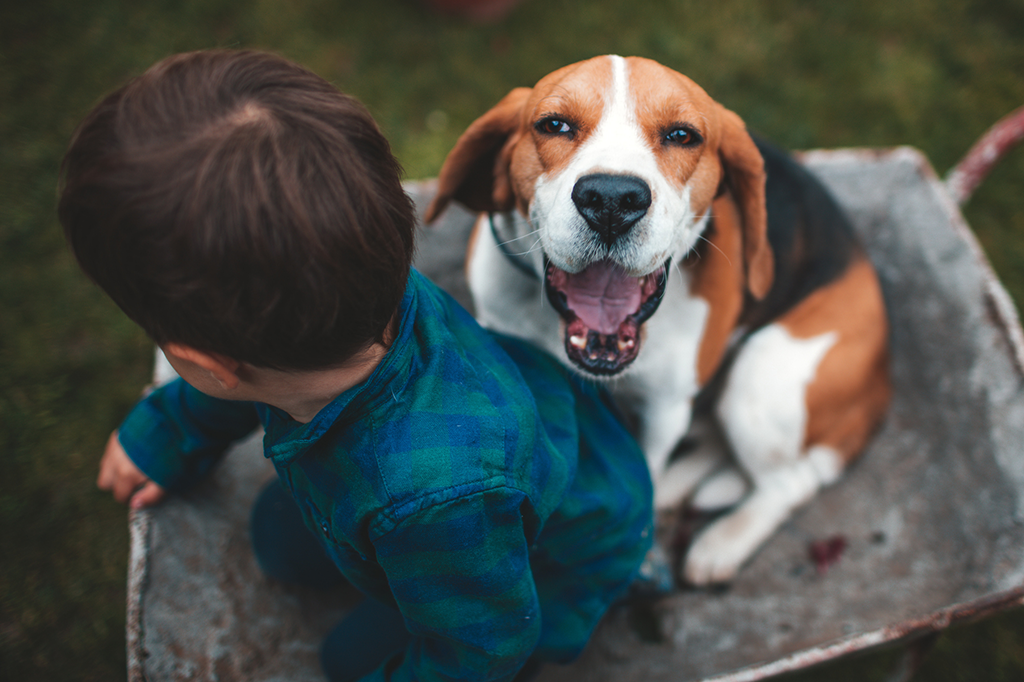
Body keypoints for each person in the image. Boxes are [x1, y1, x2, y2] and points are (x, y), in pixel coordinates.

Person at [58, 49, 653, 682]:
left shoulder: (440, 497)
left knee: (344, 661)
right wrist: (166, 433)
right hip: (475, 481)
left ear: (203, 361)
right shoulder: (343, 276)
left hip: (554, 554)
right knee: (277, 540)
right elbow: (234, 372)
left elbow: (485, 645)